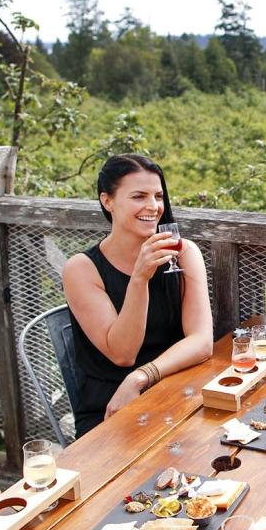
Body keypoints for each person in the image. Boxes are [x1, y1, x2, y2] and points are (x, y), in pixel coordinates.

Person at [63, 154, 213, 437]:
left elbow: (201, 341)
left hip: (173, 386)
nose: (153, 206)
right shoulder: (81, 269)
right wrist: (140, 277)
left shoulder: (184, 252)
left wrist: (142, 377)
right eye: (138, 196)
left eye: (158, 196)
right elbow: (123, 354)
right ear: (107, 201)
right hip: (112, 404)